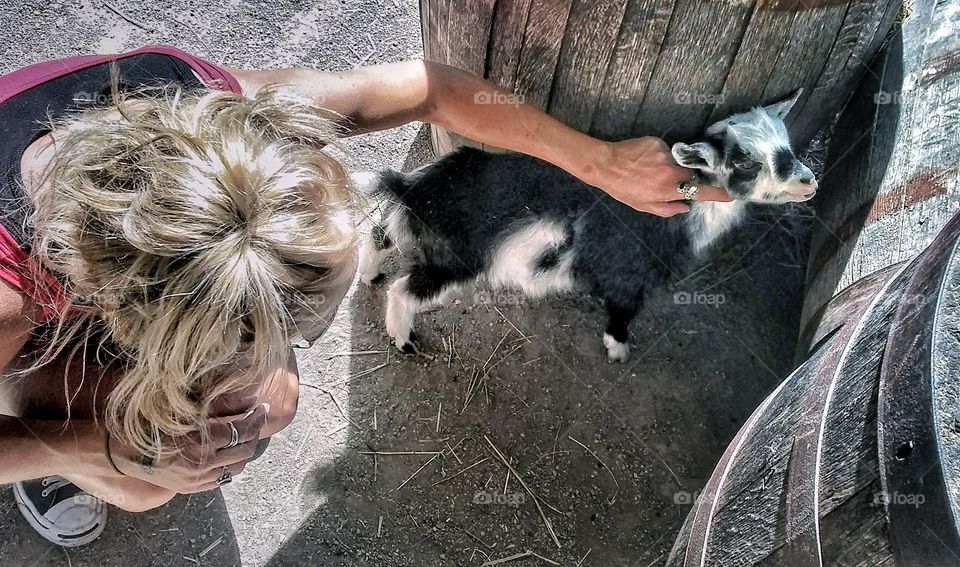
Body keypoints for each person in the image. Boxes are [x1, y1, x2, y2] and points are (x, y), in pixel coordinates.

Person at [0, 45, 730, 547]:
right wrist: (93, 444)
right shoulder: (11, 295)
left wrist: (598, 161)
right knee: (144, 483)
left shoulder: (241, 126)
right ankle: (43, 451)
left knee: (256, 409)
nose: (286, 357)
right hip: (44, 316)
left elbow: (432, 89)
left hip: (131, 278)